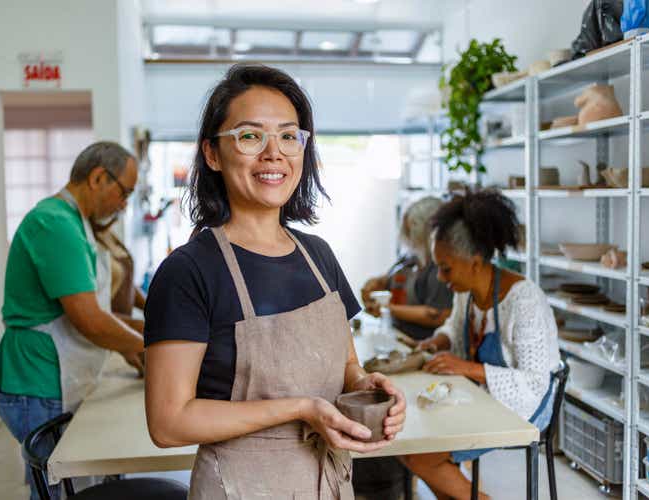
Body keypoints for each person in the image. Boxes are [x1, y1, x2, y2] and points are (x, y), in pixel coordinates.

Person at [143, 64, 406, 499]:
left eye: (288, 135)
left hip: (329, 484)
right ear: (212, 153)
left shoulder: (319, 255)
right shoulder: (188, 272)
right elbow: (169, 422)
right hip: (242, 487)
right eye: (250, 136)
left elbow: (346, 368)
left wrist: (369, 388)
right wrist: (302, 409)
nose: (274, 153)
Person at [0, 141, 145, 500]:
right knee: (55, 488)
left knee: (73, 483)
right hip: (38, 381)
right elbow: (89, 319)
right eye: (124, 192)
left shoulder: (77, 223)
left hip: (57, 375)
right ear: (98, 178)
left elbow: (99, 311)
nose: (124, 204)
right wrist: (147, 348)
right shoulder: (54, 224)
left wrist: (136, 344)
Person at [401, 189, 561, 500]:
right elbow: (453, 324)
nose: (442, 278)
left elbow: (534, 381)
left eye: (446, 268)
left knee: (421, 455)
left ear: (474, 262)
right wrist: (440, 339)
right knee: (411, 446)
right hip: (484, 395)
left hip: (529, 405)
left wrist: (466, 367)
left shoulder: (523, 300)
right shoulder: (466, 291)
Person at [361, 197, 453, 342]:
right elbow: (389, 278)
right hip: (396, 335)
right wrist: (376, 283)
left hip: (422, 342)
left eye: (413, 230)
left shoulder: (440, 270)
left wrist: (388, 309)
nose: (409, 237)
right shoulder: (410, 257)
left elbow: (437, 315)